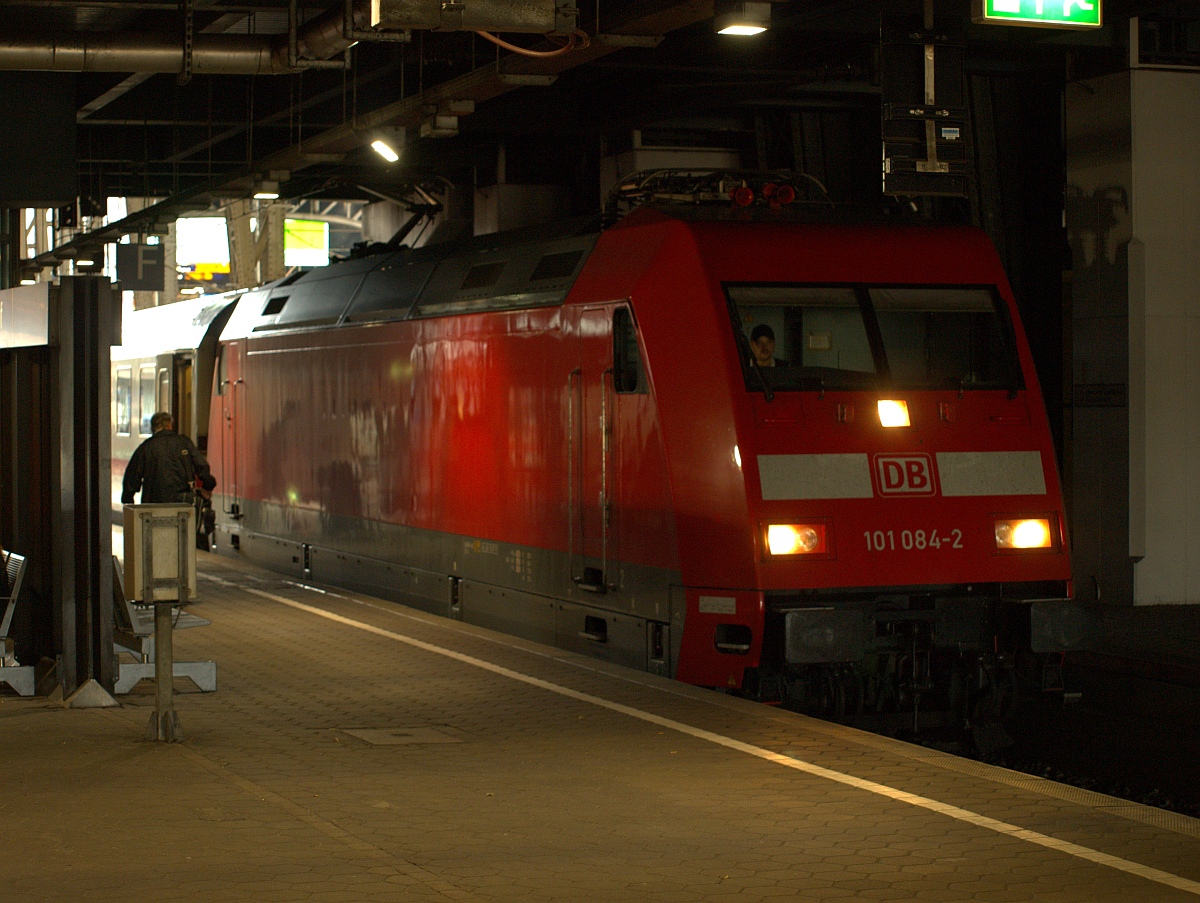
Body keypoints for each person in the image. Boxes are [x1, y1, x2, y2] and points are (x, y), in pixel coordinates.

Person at [121, 412, 216, 506]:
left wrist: (128, 499)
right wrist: (207, 486)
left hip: (153, 503)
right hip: (183, 502)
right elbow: (201, 466)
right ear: (169, 425)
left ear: (153, 428)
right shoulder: (184, 442)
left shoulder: (146, 447)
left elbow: (132, 476)